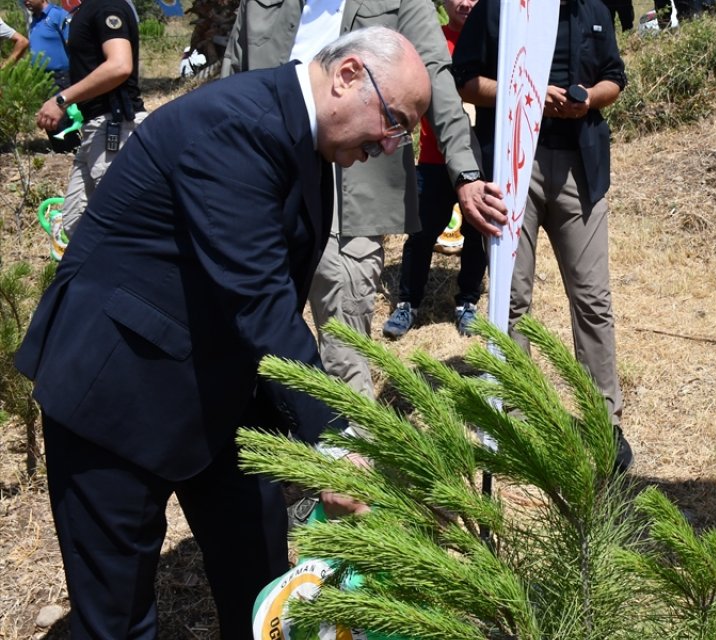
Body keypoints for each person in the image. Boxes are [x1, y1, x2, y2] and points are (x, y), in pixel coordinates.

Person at [15, 27, 430, 640]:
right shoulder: (239, 126)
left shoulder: (304, 134)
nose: (390, 144)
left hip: (216, 382)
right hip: (117, 387)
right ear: (347, 75)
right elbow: (259, 298)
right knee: (118, 617)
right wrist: (338, 444)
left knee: (261, 577)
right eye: (394, 122)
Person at [222, 0, 507, 402]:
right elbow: (231, 76)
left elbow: (437, 77)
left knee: (343, 337)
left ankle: (350, 449)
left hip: (351, 186)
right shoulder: (260, 4)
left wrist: (465, 171)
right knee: (242, 326)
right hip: (259, 179)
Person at [455, 0, 633, 470]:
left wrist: (589, 99)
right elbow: (465, 81)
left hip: (581, 168)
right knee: (512, 301)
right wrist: (528, 95)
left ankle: (604, 421)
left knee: (593, 298)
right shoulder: (498, 8)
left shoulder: (594, 8)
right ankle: (516, 417)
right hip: (514, 167)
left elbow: (616, 76)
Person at [383, 0, 489, 340]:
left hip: (482, 158)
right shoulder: (429, 41)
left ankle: (467, 302)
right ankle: (408, 303)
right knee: (421, 233)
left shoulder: (491, 43)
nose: (466, 3)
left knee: (478, 233)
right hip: (433, 157)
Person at [34, 0, 146, 237]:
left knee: (122, 221)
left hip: (115, 125)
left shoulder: (106, 6)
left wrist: (62, 100)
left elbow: (119, 65)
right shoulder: (84, 10)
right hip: (95, 128)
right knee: (75, 222)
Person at [24, 0, 71, 86]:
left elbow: (72, 43)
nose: (26, 2)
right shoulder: (34, 21)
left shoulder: (59, 14)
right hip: (39, 78)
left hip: (60, 78)